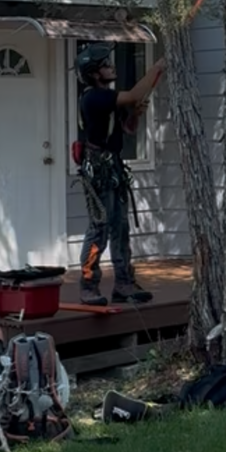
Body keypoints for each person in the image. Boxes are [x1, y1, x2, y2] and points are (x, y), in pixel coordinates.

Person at [74, 43, 166, 306]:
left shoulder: (109, 96)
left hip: (113, 165)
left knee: (121, 226)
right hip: (98, 169)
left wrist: (135, 115)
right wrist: (156, 68)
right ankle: (88, 284)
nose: (112, 66)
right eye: (105, 64)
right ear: (94, 73)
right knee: (99, 228)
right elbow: (135, 93)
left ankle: (124, 283)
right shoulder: (94, 97)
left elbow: (127, 128)